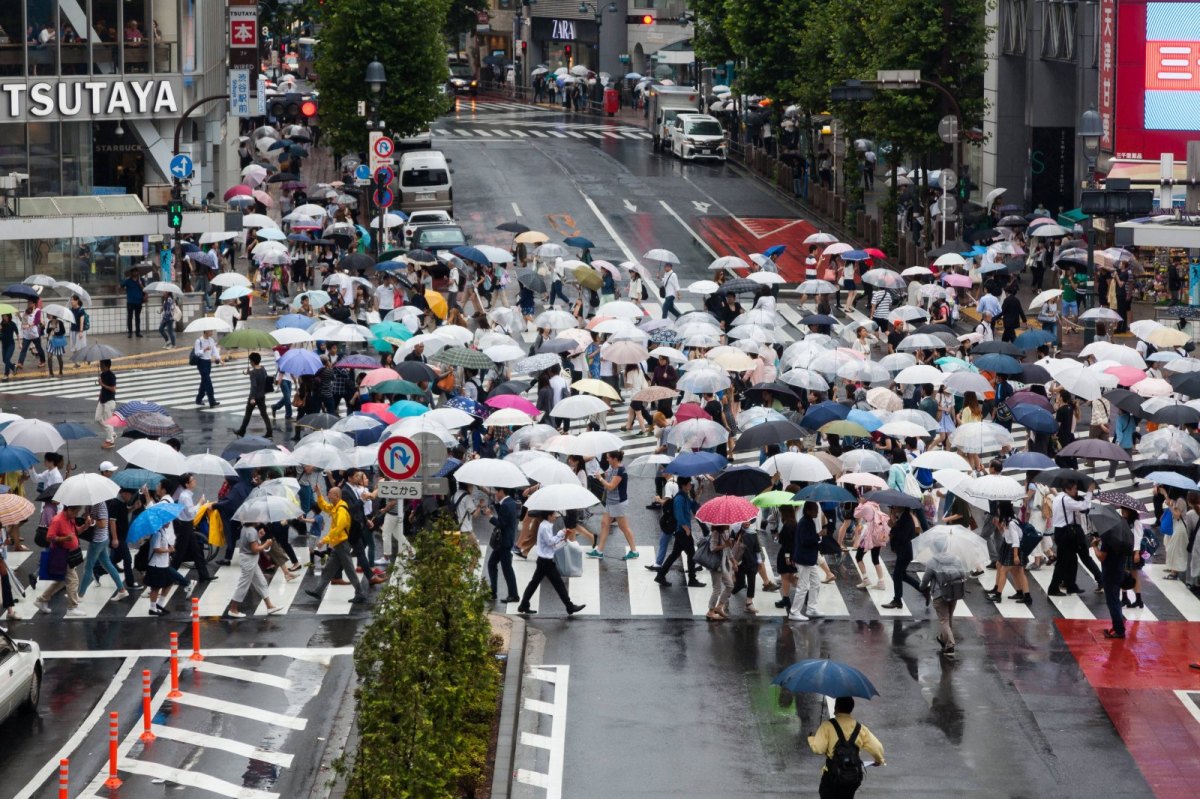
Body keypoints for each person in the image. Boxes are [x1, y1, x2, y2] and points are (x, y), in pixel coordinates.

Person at [807, 696, 885, 799]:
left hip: (832, 775)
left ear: (836, 707)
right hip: (852, 776)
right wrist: (879, 760)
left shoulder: (827, 726)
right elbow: (877, 747)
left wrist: (812, 738)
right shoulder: (860, 728)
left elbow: (818, 749)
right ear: (851, 709)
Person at [516, 510, 586, 616]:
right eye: (553, 515)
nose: (555, 516)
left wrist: (563, 539)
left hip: (545, 560)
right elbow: (550, 542)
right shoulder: (545, 527)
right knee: (558, 584)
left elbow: (552, 546)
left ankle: (524, 605)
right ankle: (569, 606)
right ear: (548, 516)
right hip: (545, 561)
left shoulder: (547, 525)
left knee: (535, 583)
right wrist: (561, 533)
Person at [306, 486, 368, 605]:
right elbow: (324, 506)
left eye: (329, 493)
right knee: (329, 569)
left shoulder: (342, 511)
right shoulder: (336, 506)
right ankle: (318, 591)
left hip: (342, 544)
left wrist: (324, 540)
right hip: (337, 544)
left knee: (350, 570)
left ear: (336, 496)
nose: (328, 495)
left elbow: (337, 529)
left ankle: (360, 593)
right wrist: (319, 493)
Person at [33, 505, 89, 617]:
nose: (77, 514)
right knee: (73, 580)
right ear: (69, 510)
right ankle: (72, 608)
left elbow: (75, 533)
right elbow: (49, 537)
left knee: (61, 580)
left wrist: (84, 526)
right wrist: (64, 539)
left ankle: (41, 600)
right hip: (62, 554)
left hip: (71, 554)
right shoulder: (57, 520)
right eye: (76, 512)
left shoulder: (70, 519)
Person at [919, 535, 967, 658]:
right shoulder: (955, 558)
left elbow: (925, 580)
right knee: (949, 617)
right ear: (946, 546)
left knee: (943, 620)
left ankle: (950, 644)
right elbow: (962, 573)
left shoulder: (932, 562)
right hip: (954, 593)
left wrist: (922, 587)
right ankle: (944, 640)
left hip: (939, 595)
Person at [587, 451, 638, 560]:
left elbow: (610, 486)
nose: (607, 460)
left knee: (623, 527)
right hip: (610, 501)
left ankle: (634, 551)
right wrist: (602, 476)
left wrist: (600, 479)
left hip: (618, 503)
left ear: (615, 459)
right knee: (604, 524)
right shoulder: (611, 468)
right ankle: (599, 551)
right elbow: (607, 477)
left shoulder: (620, 471)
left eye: (608, 458)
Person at [227, 525, 285, 618]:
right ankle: (233, 609)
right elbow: (254, 549)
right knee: (244, 584)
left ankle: (269, 606)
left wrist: (259, 537)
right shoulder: (251, 531)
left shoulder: (246, 528)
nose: (259, 519)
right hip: (249, 560)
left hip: (250, 560)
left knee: (261, 582)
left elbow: (251, 544)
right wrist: (266, 544)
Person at [655, 476, 704, 588]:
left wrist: (698, 495)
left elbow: (693, 506)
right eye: (689, 484)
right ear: (684, 485)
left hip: (683, 531)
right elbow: (679, 515)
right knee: (691, 554)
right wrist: (686, 529)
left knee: (675, 554)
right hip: (682, 531)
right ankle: (692, 579)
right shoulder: (679, 499)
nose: (691, 485)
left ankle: (661, 575)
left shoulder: (685, 496)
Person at [76, 499, 127, 602]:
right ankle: (122, 590)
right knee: (108, 565)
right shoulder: (93, 503)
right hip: (101, 539)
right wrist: (87, 514)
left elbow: (103, 523)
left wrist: (92, 521)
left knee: (88, 567)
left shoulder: (100, 504)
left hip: (98, 540)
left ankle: (80, 596)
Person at [1047, 481, 1093, 596]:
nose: (1076, 491)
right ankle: (1053, 588)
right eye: (1074, 489)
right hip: (1065, 533)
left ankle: (1071, 585)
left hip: (1061, 531)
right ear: (1067, 489)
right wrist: (1089, 492)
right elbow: (1084, 506)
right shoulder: (1066, 500)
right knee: (1062, 562)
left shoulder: (1059, 497)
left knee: (1072, 560)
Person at [1094, 524, 1133, 640]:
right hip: (1119, 571)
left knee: (1113, 602)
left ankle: (1119, 630)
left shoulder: (1108, 539)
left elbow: (1101, 556)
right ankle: (1118, 625)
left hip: (1109, 573)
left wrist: (1095, 547)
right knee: (1115, 600)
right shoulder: (1123, 539)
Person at [881, 506, 921, 609]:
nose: (892, 509)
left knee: (897, 575)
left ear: (901, 507)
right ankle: (923, 589)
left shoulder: (906, 519)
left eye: (894, 507)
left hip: (905, 552)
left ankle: (897, 600)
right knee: (902, 575)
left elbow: (902, 537)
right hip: (905, 551)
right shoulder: (903, 517)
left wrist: (893, 526)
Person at [788, 501, 823, 621]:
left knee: (816, 582)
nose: (817, 513)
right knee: (802, 587)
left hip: (809, 559)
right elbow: (805, 541)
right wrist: (818, 535)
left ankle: (811, 608)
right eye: (815, 510)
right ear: (808, 510)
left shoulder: (808, 521)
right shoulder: (804, 523)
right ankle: (794, 612)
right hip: (804, 559)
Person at [487, 485, 520, 602]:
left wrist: (490, 516)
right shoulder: (510, 502)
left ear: (502, 491)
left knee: (506, 568)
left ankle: (513, 594)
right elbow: (504, 514)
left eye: (497, 491)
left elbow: (501, 523)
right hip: (505, 541)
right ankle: (493, 591)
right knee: (492, 564)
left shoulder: (506, 505)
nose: (496, 493)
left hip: (503, 542)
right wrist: (496, 504)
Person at [236, 351, 273, 438]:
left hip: (254, 397)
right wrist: (249, 373)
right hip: (262, 396)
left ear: (252, 361)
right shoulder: (263, 369)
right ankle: (269, 432)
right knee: (264, 415)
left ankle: (242, 431)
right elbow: (264, 378)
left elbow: (254, 386)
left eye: (250, 361)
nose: (250, 362)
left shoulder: (253, 373)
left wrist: (252, 398)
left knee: (248, 414)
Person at [193, 328, 222, 407]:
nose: (212, 332)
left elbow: (214, 351)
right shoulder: (198, 341)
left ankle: (198, 399)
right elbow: (197, 353)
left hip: (208, 362)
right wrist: (204, 350)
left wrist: (219, 359)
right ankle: (211, 400)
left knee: (204, 382)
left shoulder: (211, 340)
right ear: (205, 332)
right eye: (210, 331)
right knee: (208, 382)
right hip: (201, 363)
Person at [96, 359, 117, 449]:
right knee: (97, 419)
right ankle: (112, 433)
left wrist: (102, 384)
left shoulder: (112, 376)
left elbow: (113, 389)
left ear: (107, 366)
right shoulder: (102, 375)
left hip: (109, 401)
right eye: (100, 365)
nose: (100, 367)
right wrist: (99, 397)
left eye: (102, 365)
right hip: (102, 400)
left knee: (108, 422)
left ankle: (110, 441)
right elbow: (102, 389)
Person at [121, 272, 145, 337]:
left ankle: (138, 332)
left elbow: (144, 289)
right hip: (130, 302)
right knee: (130, 317)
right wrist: (126, 290)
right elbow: (121, 286)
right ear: (131, 273)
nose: (136, 273)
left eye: (137, 271)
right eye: (134, 271)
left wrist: (140, 284)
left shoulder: (141, 280)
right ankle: (130, 332)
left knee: (137, 317)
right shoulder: (128, 281)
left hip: (138, 302)